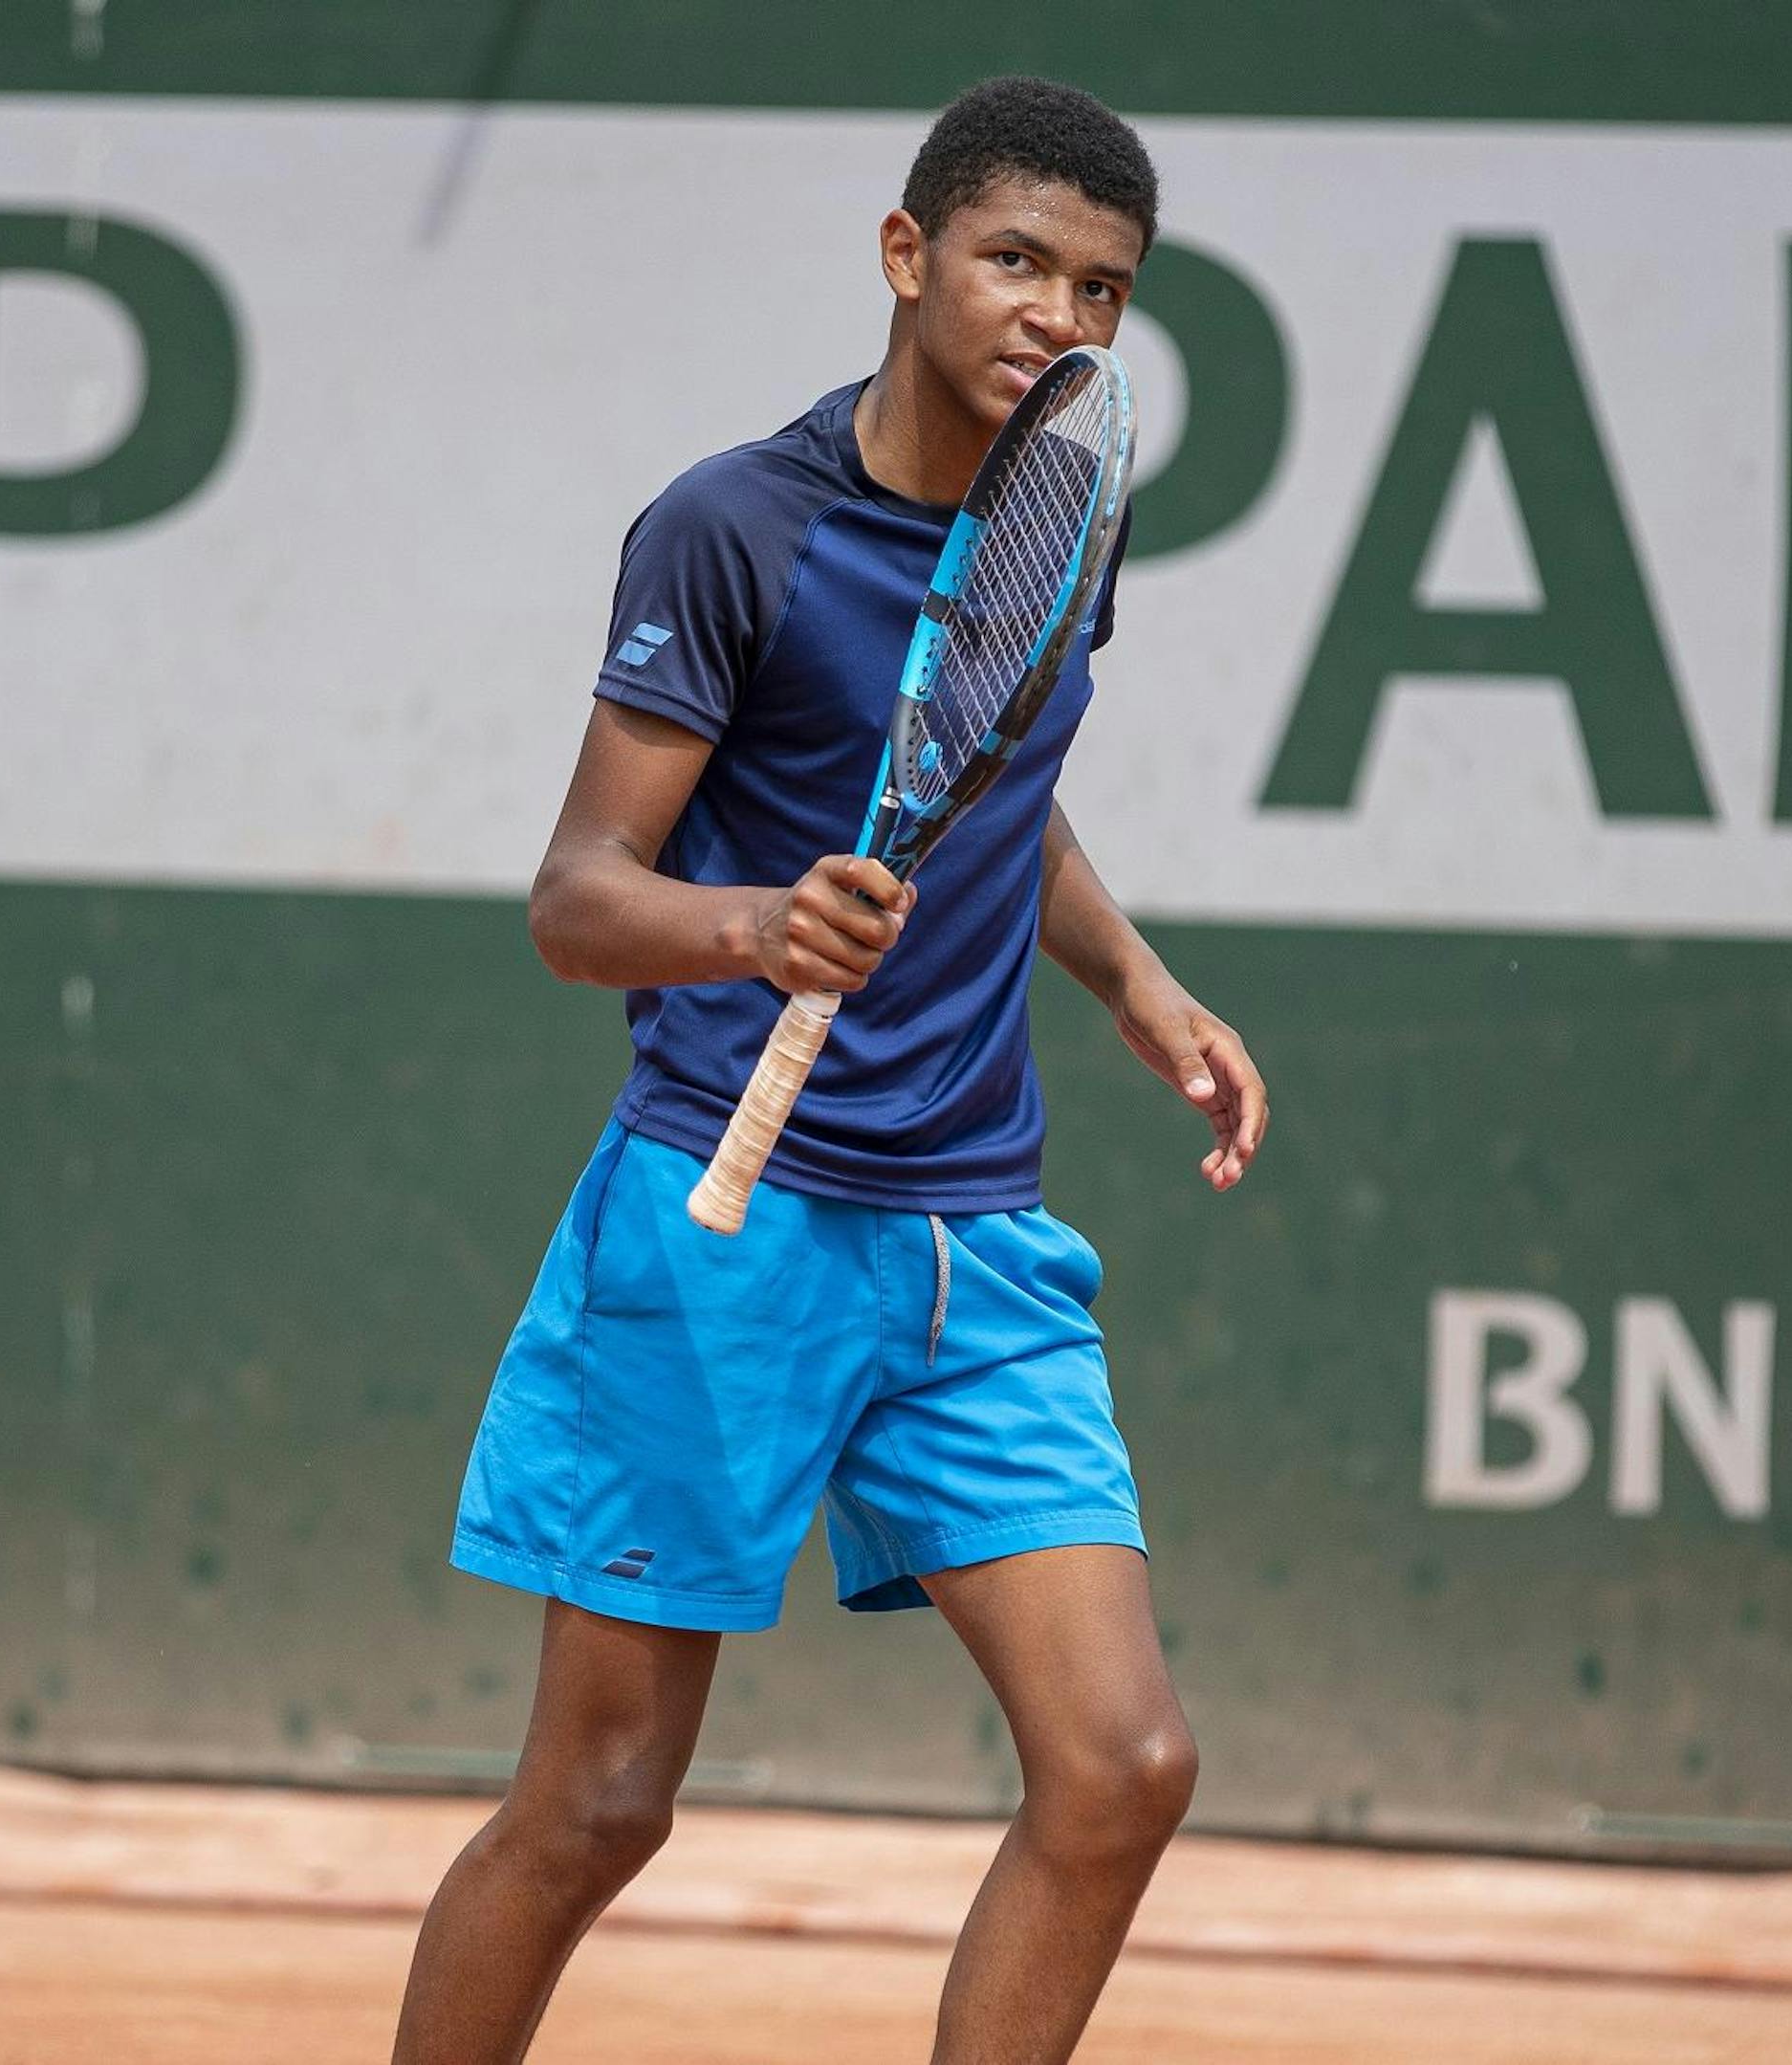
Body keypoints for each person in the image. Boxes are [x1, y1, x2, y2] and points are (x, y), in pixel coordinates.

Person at [391, 76, 1270, 2065]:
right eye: (1016, 259)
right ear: (910, 257)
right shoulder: (735, 533)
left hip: (972, 1250)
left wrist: (1136, 982)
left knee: (1122, 1768)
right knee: (600, 1804)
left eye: (1104, 289)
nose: (1057, 312)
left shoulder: (1065, 524)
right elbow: (575, 894)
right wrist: (750, 925)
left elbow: (988, 772)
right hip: (722, 1231)